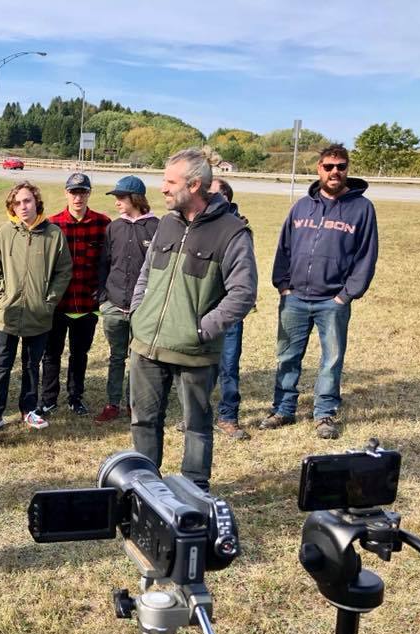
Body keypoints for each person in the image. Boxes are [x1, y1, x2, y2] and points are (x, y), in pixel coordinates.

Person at [129, 149, 257, 491]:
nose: (162, 188)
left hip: (194, 352)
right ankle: (145, 486)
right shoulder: (167, 223)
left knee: (197, 424)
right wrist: (138, 312)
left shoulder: (232, 232)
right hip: (146, 345)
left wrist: (201, 331)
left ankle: (195, 490)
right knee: (143, 421)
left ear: (195, 185)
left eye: (170, 182)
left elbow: (243, 293)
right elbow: (146, 273)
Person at [260, 144, 379, 440]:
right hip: (295, 298)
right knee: (287, 356)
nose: (335, 172)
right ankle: (283, 409)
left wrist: (346, 295)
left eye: (341, 166)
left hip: (332, 300)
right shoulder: (301, 206)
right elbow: (284, 248)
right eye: (329, 166)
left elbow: (367, 255)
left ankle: (324, 413)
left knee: (331, 359)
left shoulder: (362, 208)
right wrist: (284, 286)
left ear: (347, 169)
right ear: (318, 169)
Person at [0, 181, 72, 433]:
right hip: (7, 315)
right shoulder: (4, 233)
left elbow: (63, 271)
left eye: (27, 201)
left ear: (36, 202)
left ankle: (29, 409)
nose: (23, 207)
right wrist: (1, 297)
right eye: (17, 203)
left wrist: (49, 300)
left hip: (38, 314)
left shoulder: (54, 235)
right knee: (2, 365)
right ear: (12, 206)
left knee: (32, 365)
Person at [41, 173, 111, 417]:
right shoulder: (53, 225)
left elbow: (109, 262)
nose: (78, 197)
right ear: (66, 193)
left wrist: (103, 290)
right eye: (73, 192)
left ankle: (75, 396)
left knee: (79, 354)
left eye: (82, 192)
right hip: (59, 304)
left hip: (87, 303)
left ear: (89, 193)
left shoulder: (103, 224)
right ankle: (49, 399)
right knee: (51, 354)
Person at [95, 176, 158, 423]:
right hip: (113, 304)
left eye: (121, 197)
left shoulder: (157, 226)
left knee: (139, 358)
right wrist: (103, 298)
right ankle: (113, 403)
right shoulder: (114, 227)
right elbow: (104, 264)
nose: (117, 202)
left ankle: (135, 403)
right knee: (116, 356)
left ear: (136, 198)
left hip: (143, 308)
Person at [208, 178, 251, 440]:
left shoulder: (240, 230)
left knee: (228, 365)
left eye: (213, 193)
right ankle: (198, 414)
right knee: (201, 366)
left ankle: (227, 417)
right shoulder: (200, 223)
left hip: (228, 312)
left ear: (226, 198)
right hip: (202, 307)